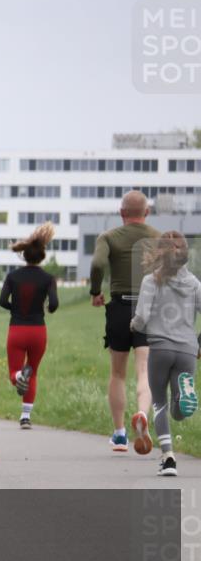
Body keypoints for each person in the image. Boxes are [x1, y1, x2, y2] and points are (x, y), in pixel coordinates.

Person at [90, 190, 161, 452]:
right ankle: (142, 414)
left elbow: (97, 263)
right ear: (147, 213)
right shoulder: (157, 238)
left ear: (122, 213)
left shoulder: (108, 237)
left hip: (119, 308)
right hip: (149, 308)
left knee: (118, 373)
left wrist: (96, 291)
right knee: (144, 369)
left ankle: (120, 434)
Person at [130, 231, 201, 478]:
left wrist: (134, 326)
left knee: (159, 402)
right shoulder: (194, 283)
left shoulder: (152, 281)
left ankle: (168, 458)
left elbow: (142, 318)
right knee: (177, 409)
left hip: (160, 348)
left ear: (159, 252)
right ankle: (184, 396)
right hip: (188, 350)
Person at [0, 223, 59, 429]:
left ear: (24, 255)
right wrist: (48, 309)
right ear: (42, 255)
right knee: (32, 373)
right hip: (38, 331)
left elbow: (2, 301)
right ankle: (25, 417)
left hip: (17, 329)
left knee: (15, 371)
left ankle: (18, 376)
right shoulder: (48, 278)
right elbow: (54, 304)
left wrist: (14, 308)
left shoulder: (12, 277)